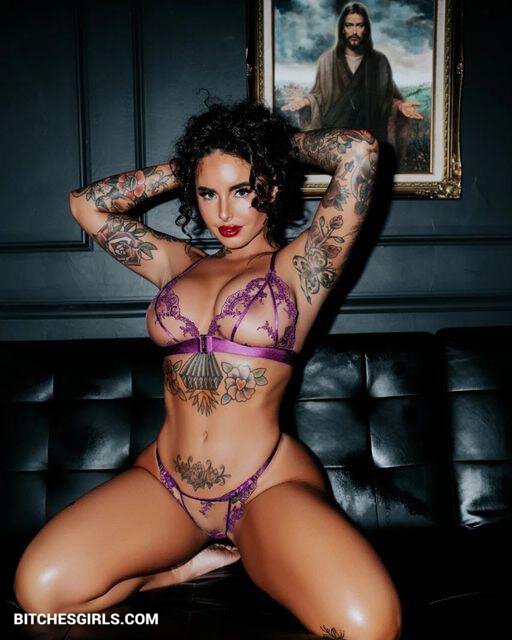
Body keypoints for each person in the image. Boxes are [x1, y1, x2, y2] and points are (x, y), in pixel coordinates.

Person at [13, 99, 401, 640]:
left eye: (242, 190)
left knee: (370, 627)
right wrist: (192, 163)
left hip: (264, 486)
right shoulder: (179, 264)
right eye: (207, 193)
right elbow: (86, 205)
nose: (224, 212)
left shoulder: (303, 265)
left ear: (270, 187)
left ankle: (251, 543)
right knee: (39, 597)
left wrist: (266, 148)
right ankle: (174, 569)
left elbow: (359, 150)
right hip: (166, 484)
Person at [282, 2, 422, 166]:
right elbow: (320, 96)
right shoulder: (327, 61)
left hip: (371, 140)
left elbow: (386, 98)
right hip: (337, 143)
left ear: (366, 29)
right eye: (349, 25)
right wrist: (307, 101)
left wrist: (400, 106)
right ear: (342, 29)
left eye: (359, 25)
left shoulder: (379, 62)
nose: (354, 31)